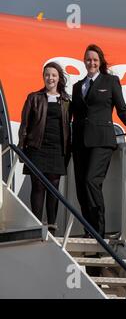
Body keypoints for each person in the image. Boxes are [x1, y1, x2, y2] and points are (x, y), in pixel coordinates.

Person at [70, 44, 126, 238]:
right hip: (80, 143)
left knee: (92, 181)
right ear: (84, 61)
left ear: (100, 62)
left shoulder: (110, 81)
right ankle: (88, 231)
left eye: (94, 60)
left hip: (101, 141)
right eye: (88, 59)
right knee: (81, 188)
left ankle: (98, 231)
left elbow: (121, 108)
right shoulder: (78, 86)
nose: (91, 62)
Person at [18, 62, 71, 235]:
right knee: (38, 186)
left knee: (54, 187)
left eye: (54, 75)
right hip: (37, 147)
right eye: (47, 75)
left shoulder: (65, 100)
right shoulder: (34, 97)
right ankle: (36, 224)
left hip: (57, 148)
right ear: (43, 77)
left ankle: (52, 225)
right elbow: (25, 125)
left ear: (59, 78)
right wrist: (21, 147)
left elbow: (68, 126)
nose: (50, 78)